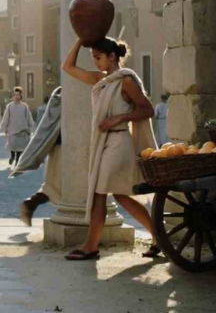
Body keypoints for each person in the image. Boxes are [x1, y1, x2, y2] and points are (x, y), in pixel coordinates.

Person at [62, 37, 158, 261]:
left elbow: (148, 110)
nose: (95, 62)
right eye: (93, 58)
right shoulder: (101, 79)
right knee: (121, 196)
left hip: (119, 142)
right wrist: (79, 39)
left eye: (98, 57)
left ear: (112, 56)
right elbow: (67, 67)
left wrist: (119, 118)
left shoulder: (125, 81)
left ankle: (91, 246)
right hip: (104, 144)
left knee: (99, 193)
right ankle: (158, 236)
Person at [12, 87, 63, 226]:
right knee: (56, 187)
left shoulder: (61, 93)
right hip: (64, 148)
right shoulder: (67, 94)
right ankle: (30, 204)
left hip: (61, 147)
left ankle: (30, 204)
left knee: (54, 187)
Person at [1, 87, 35, 167]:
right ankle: (12, 156)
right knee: (12, 146)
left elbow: (28, 117)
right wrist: (5, 127)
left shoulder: (24, 106)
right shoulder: (9, 106)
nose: (16, 97)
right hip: (12, 130)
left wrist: (30, 127)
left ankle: (17, 159)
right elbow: (6, 117)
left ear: (21, 96)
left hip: (22, 130)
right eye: (15, 95)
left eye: (18, 95)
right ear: (13, 96)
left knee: (20, 147)